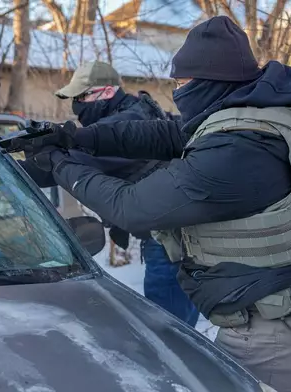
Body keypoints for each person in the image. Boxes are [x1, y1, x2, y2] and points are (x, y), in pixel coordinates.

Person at [12, 16, 291, 392]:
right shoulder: (276, 111)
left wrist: (58, 164)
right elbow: (167, 133)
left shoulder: (236, 151)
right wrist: (78, 138)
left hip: (280, 335)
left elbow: (130, 207)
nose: (177, 91)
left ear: (210, 82)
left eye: (181, 83)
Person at [18, 61, 199, 326]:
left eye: (81, 97)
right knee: (176, 328)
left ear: (106, 92)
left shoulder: (128, 122)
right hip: (173, 237)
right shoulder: (136, 111)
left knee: (169, 331)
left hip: (169, 242)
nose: (76, 105)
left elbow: (63, 164)